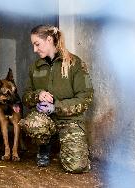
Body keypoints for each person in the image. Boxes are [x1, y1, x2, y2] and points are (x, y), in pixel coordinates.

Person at [20, 25, 94, 173]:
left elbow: (85, 99)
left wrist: (56, 106)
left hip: (69, 120)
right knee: (32, 123)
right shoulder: (35, 67)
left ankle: (72, 148)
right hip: (45, 119)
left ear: (49, 40)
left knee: (77, 167)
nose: (35, 50)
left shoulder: (75, 63)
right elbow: (25, 96)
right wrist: (37, 95)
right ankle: (44, 146)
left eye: (37, 44)